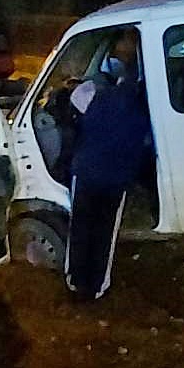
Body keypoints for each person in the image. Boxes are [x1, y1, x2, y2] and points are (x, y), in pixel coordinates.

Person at [64, 29, 152, 300]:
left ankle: (76, 283)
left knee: (81, 228)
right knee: (104, 233)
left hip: (89, 172)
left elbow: (74, 99)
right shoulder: (144, 102)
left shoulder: (94, 93)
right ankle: (97, 287)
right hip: (115, 177)